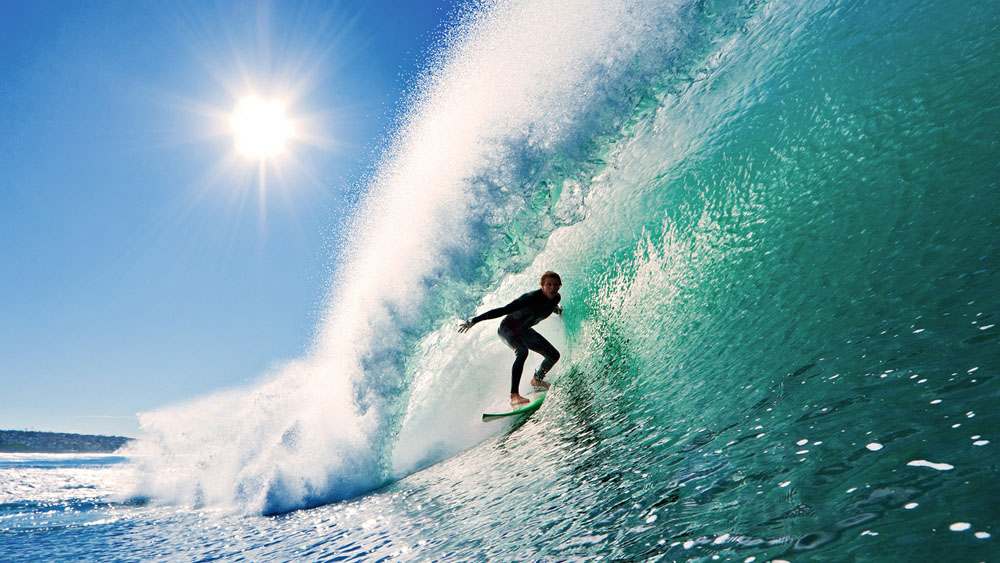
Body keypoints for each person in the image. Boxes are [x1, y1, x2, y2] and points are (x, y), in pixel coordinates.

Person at [459, 271, 563, 407]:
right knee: (522, 351)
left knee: (553, 355)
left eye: (556, 285)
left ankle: (537, 380)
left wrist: (558, 311)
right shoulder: (529, 298)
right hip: (508, 328)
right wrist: (474, 320)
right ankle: (514, 396)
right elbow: (503, 310)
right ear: (542, 285)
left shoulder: (555, 298)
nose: (552, 288)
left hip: (524, 330)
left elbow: (548, 306)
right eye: (548, 284)